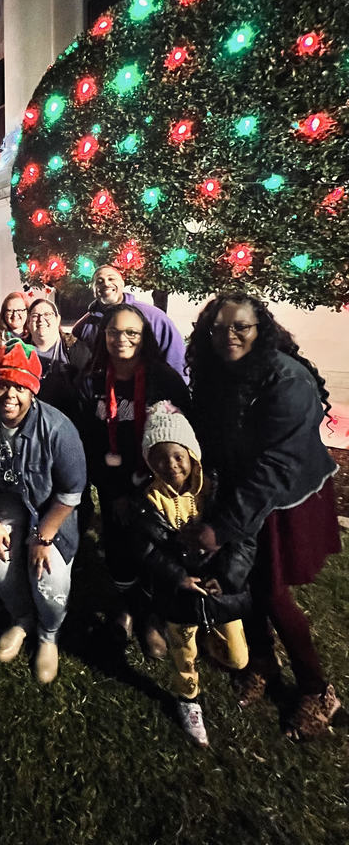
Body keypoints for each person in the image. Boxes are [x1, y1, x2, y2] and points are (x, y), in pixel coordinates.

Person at [184, 292, 342, 740]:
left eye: (240, 327)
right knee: (245, 582)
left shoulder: (286, 379)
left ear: (261, 329)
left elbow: (278, 465)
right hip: (241, 489)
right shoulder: (219, 372)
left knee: (271, 591)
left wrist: (221, 527)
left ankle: (317, 688)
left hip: (280, 497)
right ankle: (263, 662)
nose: (228, 335)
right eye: (218, 328)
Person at [0, 341, 87, 684]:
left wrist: (43, 537)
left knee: (49, 578)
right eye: (3, 384)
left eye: (20, 386)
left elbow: (71, 493)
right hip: (8, 501)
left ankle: (48, 635)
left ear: (33, 389)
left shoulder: (59, 429)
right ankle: (21, 618)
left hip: (50, 509)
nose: (9, 395)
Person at [129, 401, 254, 747]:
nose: (170, 466)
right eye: (159, 458)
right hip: (179, 595)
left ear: (192, 454)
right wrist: (177, 577)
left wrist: (227, 578)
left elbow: (242, 541)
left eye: (178, 457)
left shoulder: (216, 493)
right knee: (184, 653)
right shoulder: (149, 500)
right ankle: (189, 700)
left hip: (218, 592)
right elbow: (147, 549)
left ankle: (211, 640)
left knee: (236, 657)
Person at [79, 302, 190, 656]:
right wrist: (113, 493)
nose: (121, 339)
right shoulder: (92, 381)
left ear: (144, 338)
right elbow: (89, 442)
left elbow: (184, 439)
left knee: (157, 552)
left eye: (131, 333)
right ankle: (125, 608)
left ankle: (152, 617)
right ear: (104, 336)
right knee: (119, 550)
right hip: (114, 487)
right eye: (114, 332)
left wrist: (163, 485)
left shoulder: (164, 379)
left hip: (158, 486)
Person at [71, 264, 186, 379]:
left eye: (111, 278)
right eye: (99, 281)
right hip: (105, 392)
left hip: (149, 391)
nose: (106, 283)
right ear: (94, 290)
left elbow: (176, 359)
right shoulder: (83, 327)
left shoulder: (154, 317)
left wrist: (177, 389)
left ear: (122, 284)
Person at [26, 298, 90, 425]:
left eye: (47, 314)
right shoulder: (19, 352)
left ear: (58, 319)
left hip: (69, 424)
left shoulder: (78, 351)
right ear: (28, 322)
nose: (40, 319)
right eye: (35, 315)